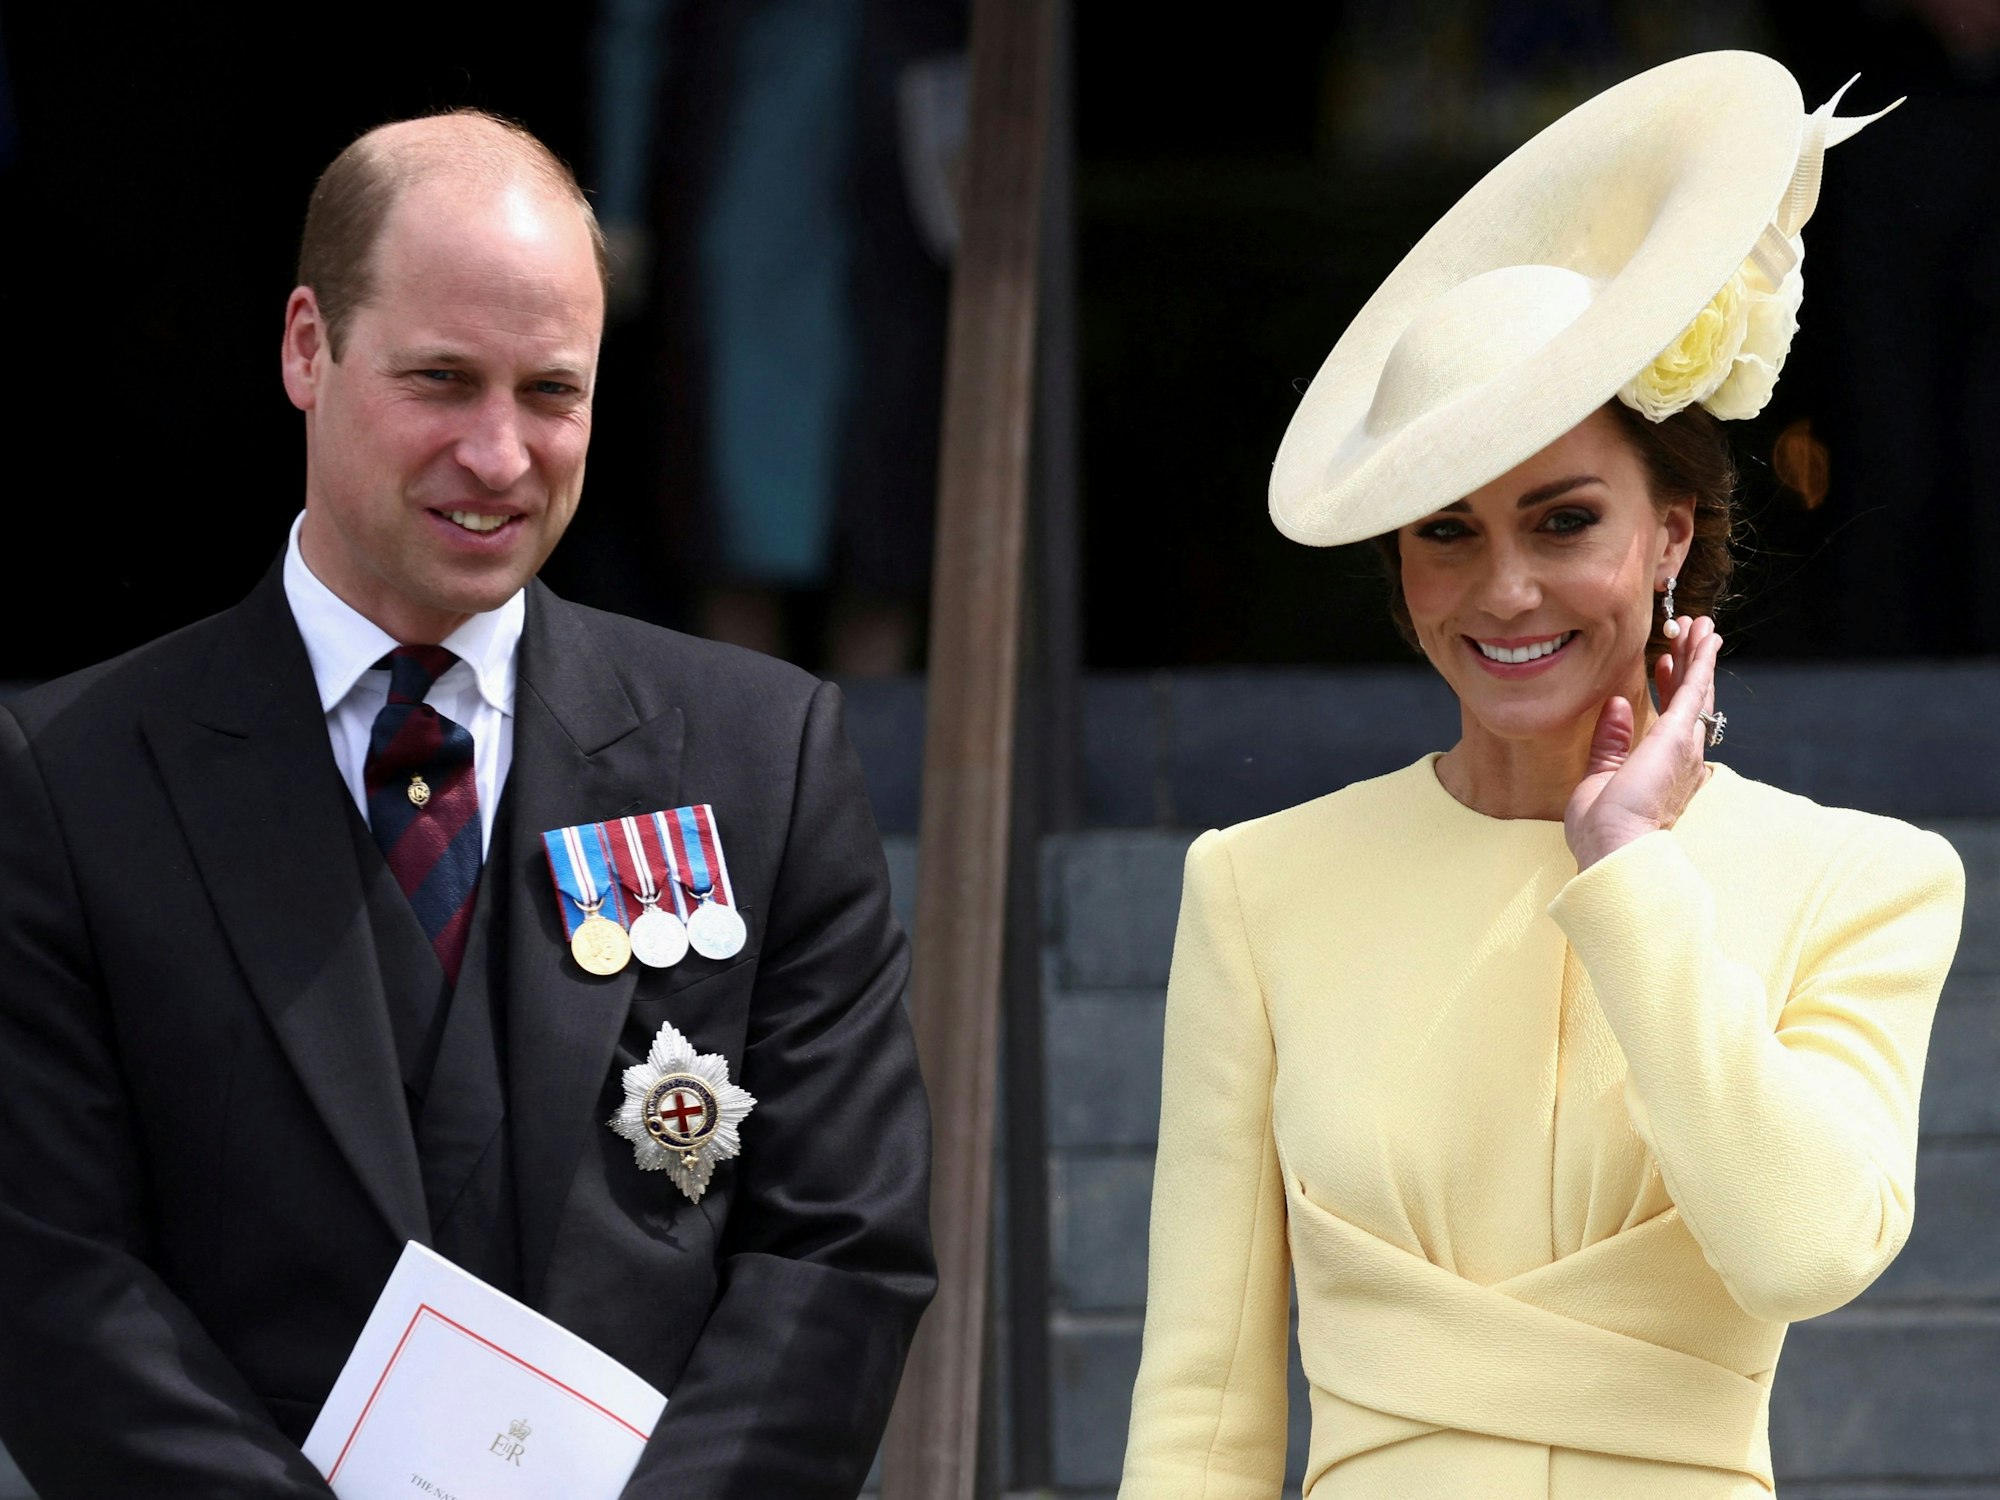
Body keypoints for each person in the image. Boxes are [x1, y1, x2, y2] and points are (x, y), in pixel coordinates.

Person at [0, 111, 933, 1499]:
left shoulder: (760, 754)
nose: (499, 456)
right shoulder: (67, 780)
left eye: (549, 392)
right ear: (308, 347)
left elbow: (839, 1248)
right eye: (441, 381)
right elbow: (51, 1281)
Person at [1118, 53, 1964, 1498]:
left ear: (1671, 536)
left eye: (1562, 520)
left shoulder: (1865, 880)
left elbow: (1809, 1248)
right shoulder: (1256, 886)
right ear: (1399, 568)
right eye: (1447, 531)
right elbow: (1202, 1407)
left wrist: (1632, 872)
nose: (1505, 590)